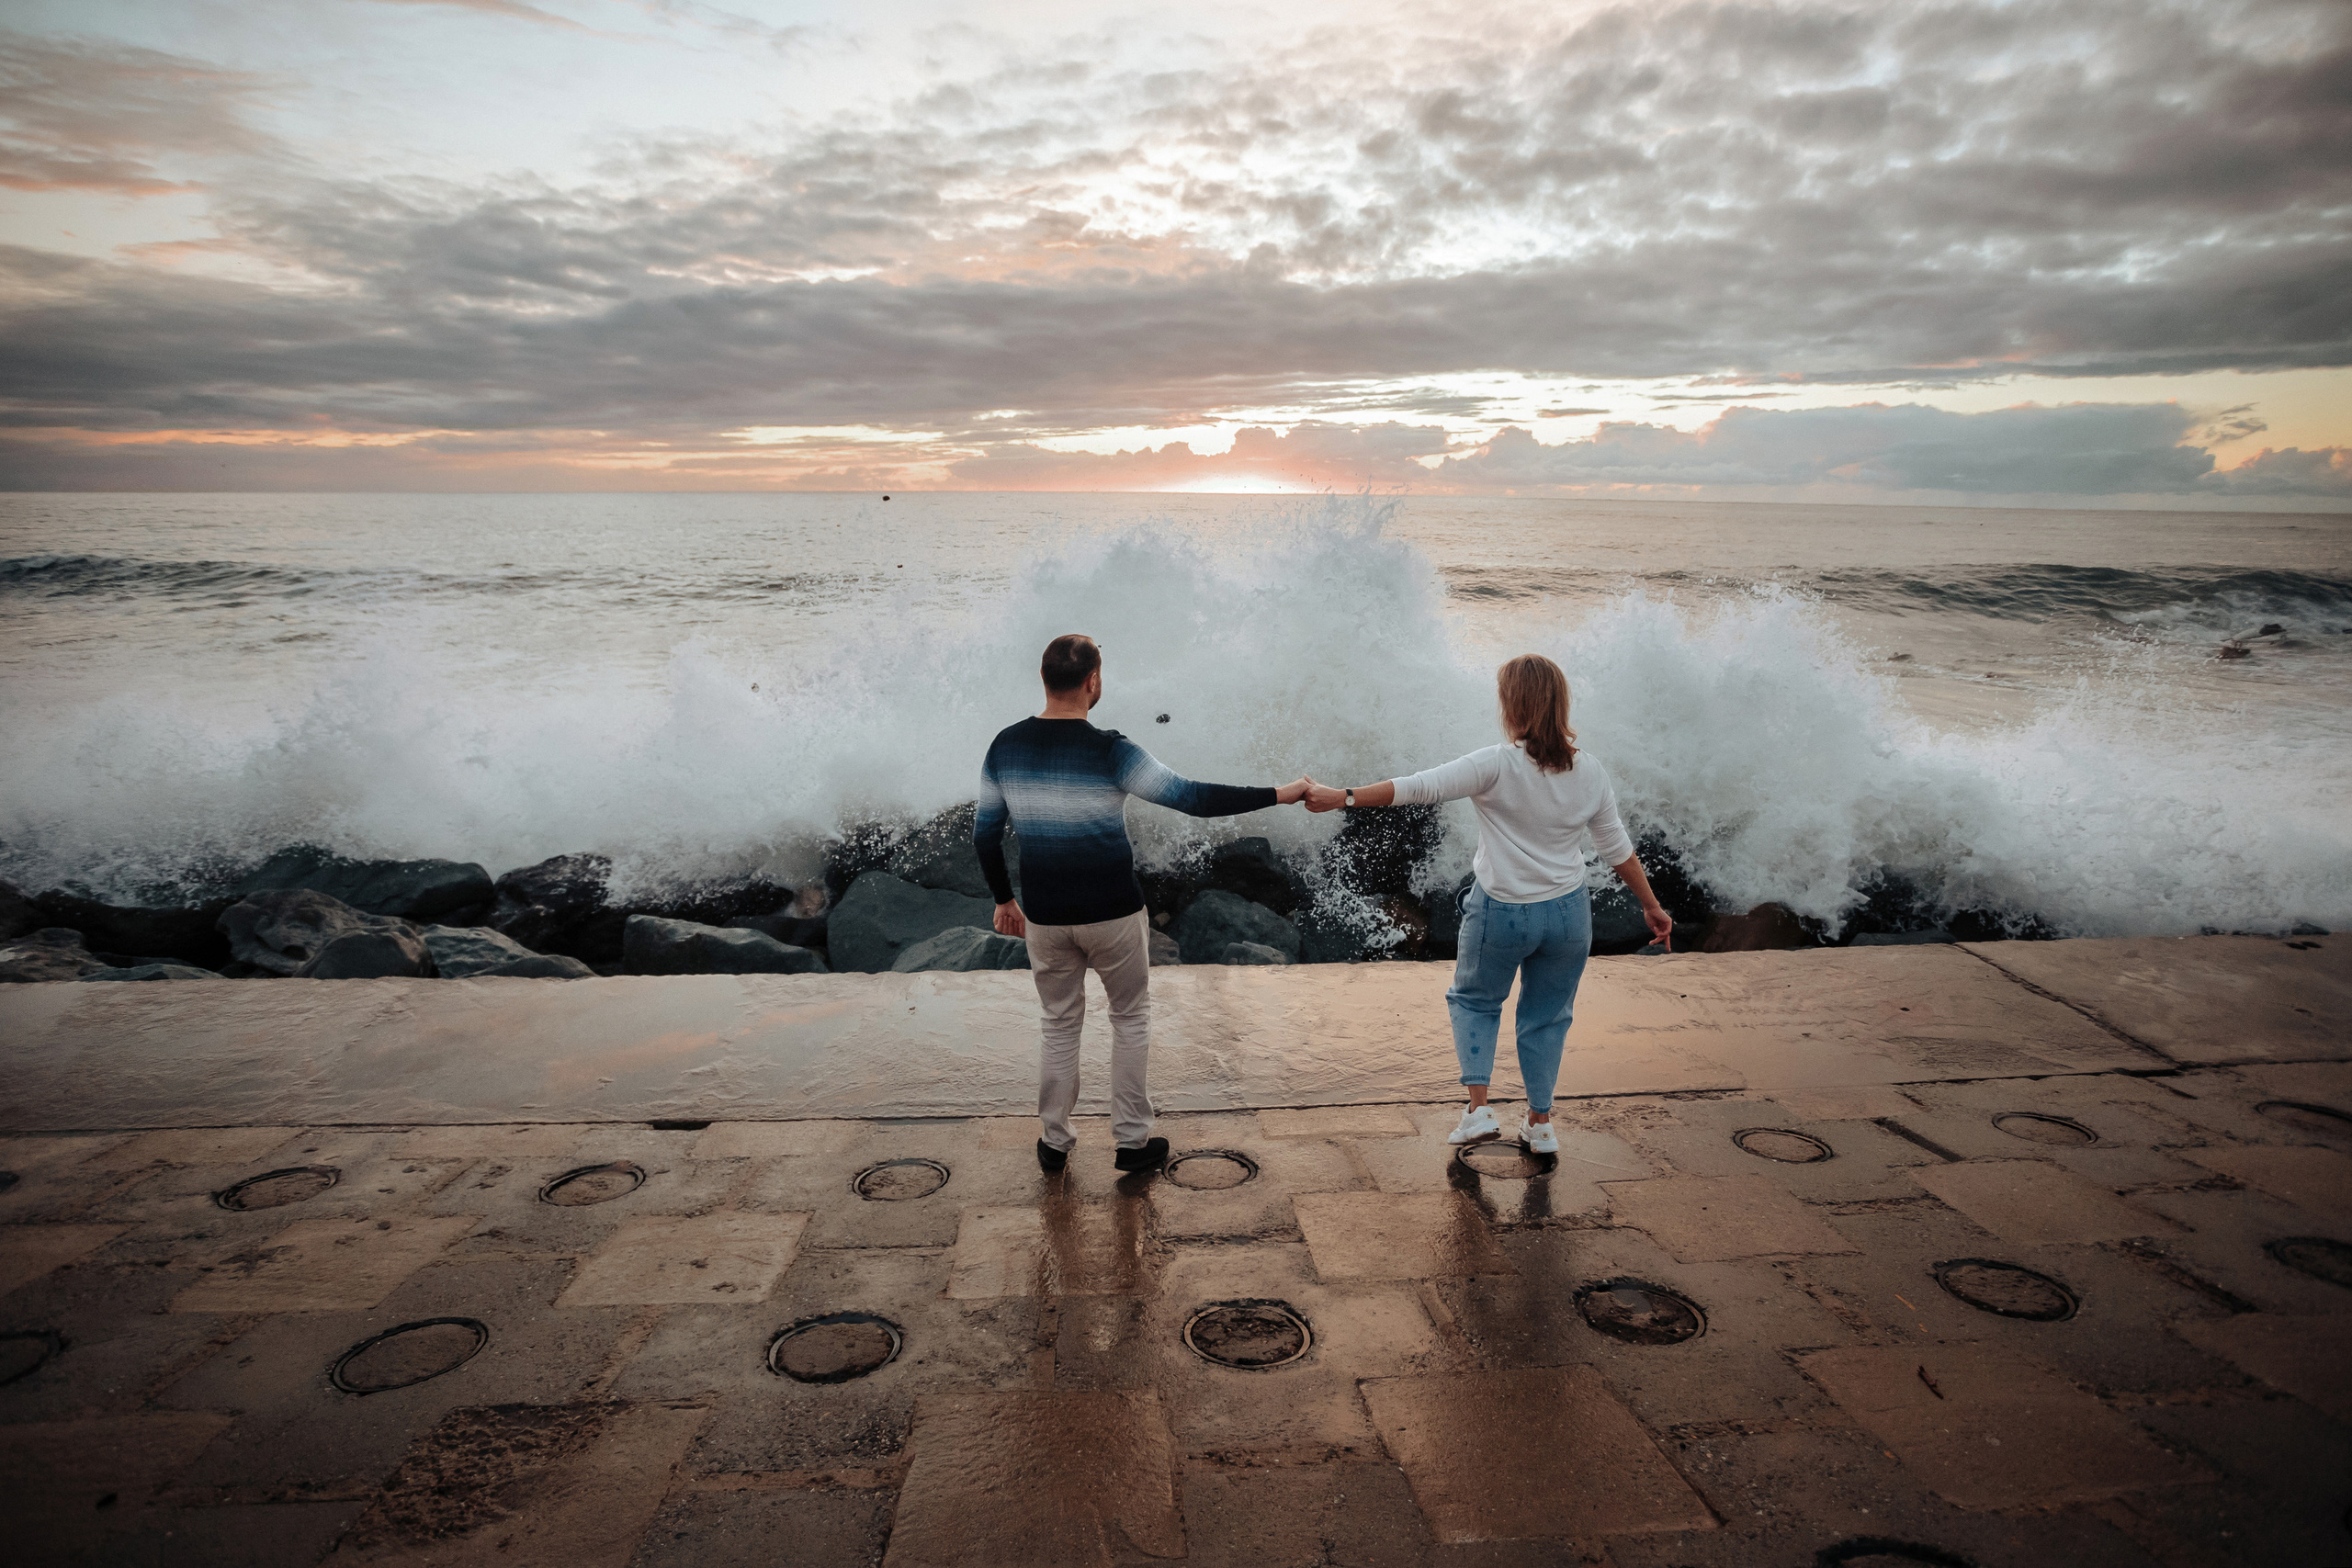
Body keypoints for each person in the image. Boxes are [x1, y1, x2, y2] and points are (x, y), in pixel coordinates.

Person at [1302, 654, 1672, 1155]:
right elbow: (1616, 847)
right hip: (1568, 915)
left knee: (1474, 1001)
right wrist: (1650, 905)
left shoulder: (1495, 764)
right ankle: (1540, 1123)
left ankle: (1478, 1112)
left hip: (1502, 911)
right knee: (1548, 1015)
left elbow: (1417, 788)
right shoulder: (1591, 771)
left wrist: (1339, 797)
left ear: (1512, 704)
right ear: (1560, 704)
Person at [977, 633, 1310, 1173]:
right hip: (1112, 911)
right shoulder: (1112, 750)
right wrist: (1280, 793)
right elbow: (1194, 799)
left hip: (1045, 914)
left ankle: (1054, 1142)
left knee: (1059, 1023)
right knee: (1130, 1017)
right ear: (1093, 682)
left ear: (1044, 680)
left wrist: (1002, 899)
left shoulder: (1005, 747)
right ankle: (1132, 1141)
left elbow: (985, 836)